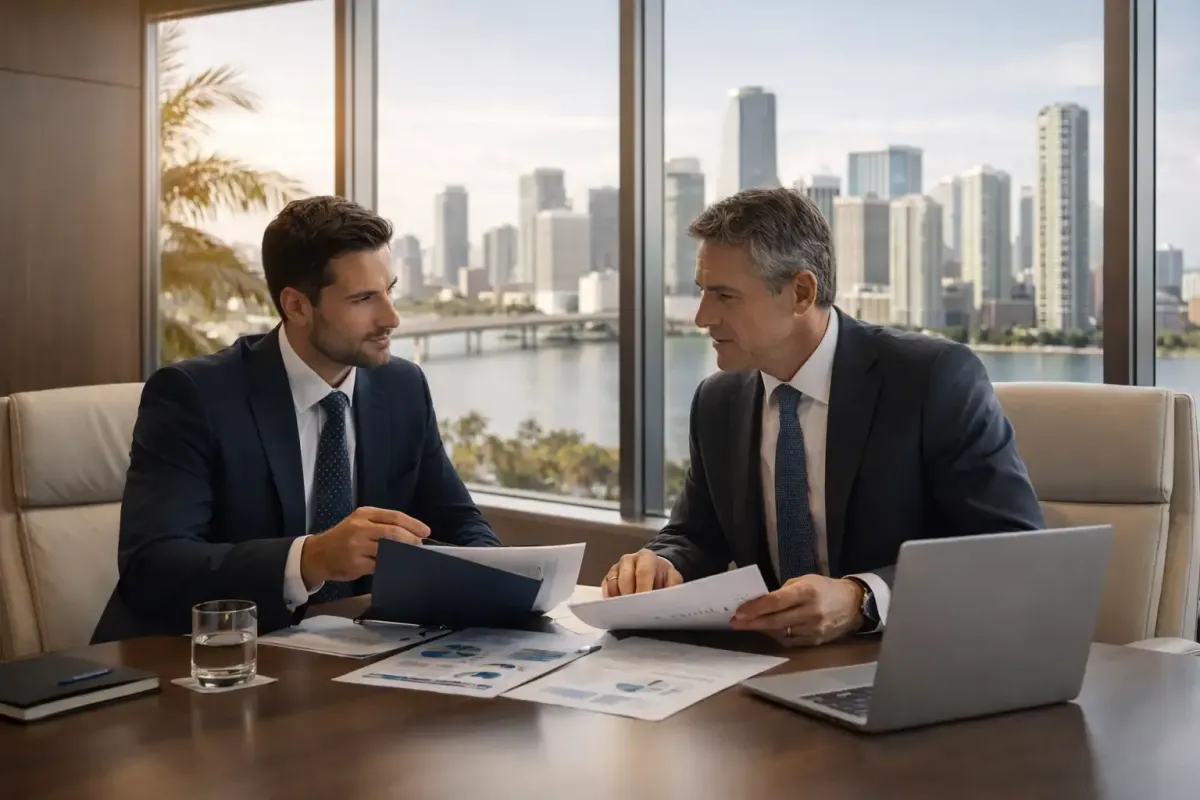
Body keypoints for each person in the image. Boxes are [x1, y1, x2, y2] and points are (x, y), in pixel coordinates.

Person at [601, 187, 1044, 647]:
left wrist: (861, 600)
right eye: (702, 293)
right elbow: (696, 535)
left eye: (725, 296)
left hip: (915, 661)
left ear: (801, 292)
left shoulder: (931, 380)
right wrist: (661, 563)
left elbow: (1013, 548)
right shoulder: (718, 402)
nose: (700, 316)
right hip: (774, 675)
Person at [92, 196, 499, 643]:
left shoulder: (400, 388)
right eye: (364, 298)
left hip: (350, 660)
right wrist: (310, 559)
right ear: (297, 306)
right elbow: (153, 567)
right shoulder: (194, 397)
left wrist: (503, 582)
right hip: (199, 662)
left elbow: (459, 522)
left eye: (390, 291)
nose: (392, 318)